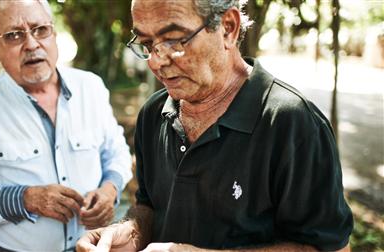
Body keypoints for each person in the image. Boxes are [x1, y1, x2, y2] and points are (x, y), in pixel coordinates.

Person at [76, 0, 353, 251]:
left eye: (174, 41)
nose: (156, 61)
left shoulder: (293, 123)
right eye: (147, 45)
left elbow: (331, 249)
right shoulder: (153, 113)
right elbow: (150, 206)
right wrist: (130, 232)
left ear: (228, 28)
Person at [0, 0, 133, 251]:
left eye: (40, 29)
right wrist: (23, 199)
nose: (31, 43)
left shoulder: (91, 87)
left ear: (53, 34)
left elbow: (116, 152)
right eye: (14, 35)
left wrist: (110, 189)